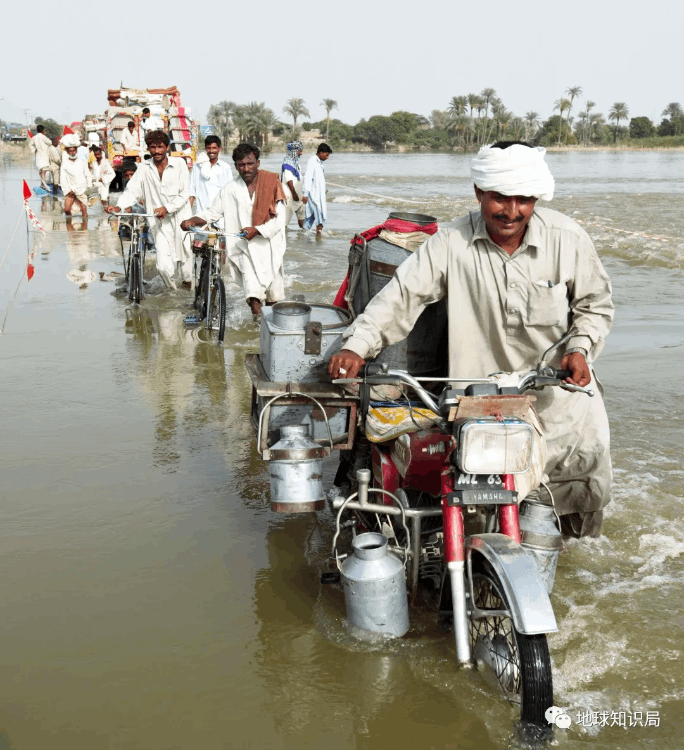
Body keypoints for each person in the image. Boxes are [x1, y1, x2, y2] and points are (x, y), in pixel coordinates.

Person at [328, 142, 614, 539]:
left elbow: (595, 306)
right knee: (476, 516)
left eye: (523, 200)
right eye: (499, 198)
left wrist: (580, 348)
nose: (511, 211)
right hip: (482, 405)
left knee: (574, 510)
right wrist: (357, 345)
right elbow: (400, 297)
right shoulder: (451, 243)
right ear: (479, 192)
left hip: (559, 404)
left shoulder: (568, 239)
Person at [180, 143, 287, 317]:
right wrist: (192, 220)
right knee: (253, 297)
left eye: (250, 163)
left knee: (273, 297)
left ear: (258, 163)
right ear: (236, 166)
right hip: (244, 248)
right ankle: (257, 329)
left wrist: (258, 230)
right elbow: (213, 212)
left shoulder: (272, 183)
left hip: (270, 247)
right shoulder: (230, 189)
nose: (246, 169)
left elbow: (280, 219)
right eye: (241, 165)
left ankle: (269, 332)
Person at [106, 130, 193, 291]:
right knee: (162, 267)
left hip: (181, 221)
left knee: (186, 267)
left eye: (160, 147)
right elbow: (132, 190)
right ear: (148, 149)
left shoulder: (180, 164)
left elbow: (184, 193)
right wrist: (119, 206)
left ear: (167, 147)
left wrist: (167, 208)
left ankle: (188, 292)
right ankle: (174, 294)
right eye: (153, 147)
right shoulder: (144, 168)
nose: (157, 151)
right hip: (158, 223)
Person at [188, 135, 233, 216]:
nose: (211, 151)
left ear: (220, 148)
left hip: (220, 216)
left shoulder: (225, 167)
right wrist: (186, 215)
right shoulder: (197, 167)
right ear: (205, 149)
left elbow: (230, 193)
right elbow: (192, 192)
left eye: (214, 148)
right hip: (201, 214)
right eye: (209, 148)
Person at [60, 134, 92, 217]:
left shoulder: (82, 161)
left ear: (76, 150)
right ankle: (70, 227)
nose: (72, 153)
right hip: (70, 190)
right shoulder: (65, 164)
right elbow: (63, 178)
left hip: (81, 188)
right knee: (66, 210)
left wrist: (88, 187)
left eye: (73, 151)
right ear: (67, 151)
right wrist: (67, 190)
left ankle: (85, 228)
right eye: (70, 151)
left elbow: (87, 174)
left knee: (84, 210)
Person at [302, 143, 331, 234]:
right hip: (313, 196)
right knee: (320, 218)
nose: (327, 157)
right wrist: (305, 194)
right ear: (321, 152)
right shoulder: (312, 162)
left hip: (318, 195)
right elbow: (307, 178)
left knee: (310, 217)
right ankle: (319, 237)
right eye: (326, 155)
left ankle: (302, 236)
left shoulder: (319, 163)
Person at [280, 140, 306, 228]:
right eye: (299, 151)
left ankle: (304, 236)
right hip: (290, 196)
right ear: (293, 151)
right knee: (285, 221)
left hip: (298, 196)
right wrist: (294, 194)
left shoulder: (297, 165)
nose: (301, 153)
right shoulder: (287, 164)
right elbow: (289, 180)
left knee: (302, 216)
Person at [29, 124, 52, 189]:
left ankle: (42, 183)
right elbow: (50, 142)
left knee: (41, 171)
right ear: (43, 130)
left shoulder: (34, 137)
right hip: (44, 156)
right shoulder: (43, 137)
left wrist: (34, 150)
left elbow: (30, 145)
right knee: (44, 171)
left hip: (38, 156)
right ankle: (43, 184)